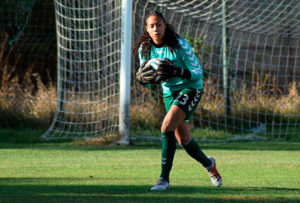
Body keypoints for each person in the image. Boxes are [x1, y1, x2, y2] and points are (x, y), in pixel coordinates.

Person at [132, 10, 222, 191]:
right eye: (152, 26)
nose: (156, 29)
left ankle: (163, 179)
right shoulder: (145, 50)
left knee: (166, 127)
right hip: (169, 92)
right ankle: (209, 164)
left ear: (165, 25)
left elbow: (198, 72)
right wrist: (142, 80)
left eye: (159, 24)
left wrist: (177, 71)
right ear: (147, 29)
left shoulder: (180, 45)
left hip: (191, 88)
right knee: (183, 139)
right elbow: (148, 80)